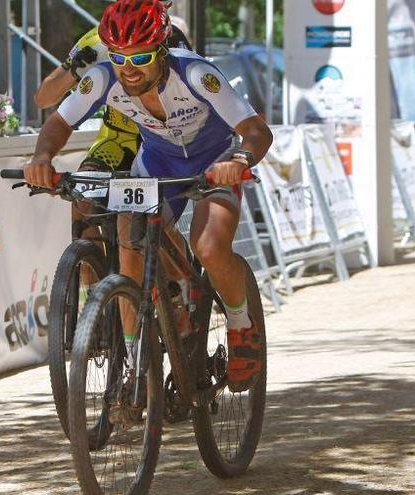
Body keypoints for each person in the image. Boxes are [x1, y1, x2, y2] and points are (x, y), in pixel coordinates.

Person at [24, 0, 273, 393]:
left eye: (140, 57)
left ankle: (242, 325)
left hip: (214, 161)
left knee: (208, 246)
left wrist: (240, 157)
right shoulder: (104, 77)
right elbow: (57, 122)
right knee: (129, 240)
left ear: (161, 50)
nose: (129, 69)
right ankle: (136, 354)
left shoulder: (194, 72)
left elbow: (257, 131)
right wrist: (41, 157)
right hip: (158, 162)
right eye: (120, 57)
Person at [33, 6, 192, 242]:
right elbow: (43, 99)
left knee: (154, 231)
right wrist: (72, 72)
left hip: (162, 143)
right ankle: (90, 274)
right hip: (118, 140)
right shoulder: (98, 39)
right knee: (82, 202)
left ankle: (179, 276)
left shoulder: (168, 36)